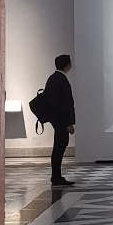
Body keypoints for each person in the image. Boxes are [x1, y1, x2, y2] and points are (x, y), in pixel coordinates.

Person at [46, 54, 76, 187]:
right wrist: (69, 123)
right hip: (61, 121)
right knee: (59, 148)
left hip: (55, 119)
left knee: (58, 147)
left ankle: (56, 176)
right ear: (67, 65)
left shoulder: (52, 78)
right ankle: (56, 177)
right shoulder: (61, 80)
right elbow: (66, 104)